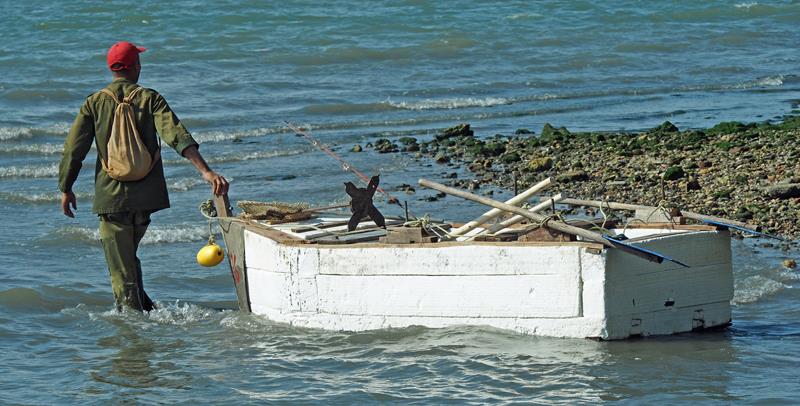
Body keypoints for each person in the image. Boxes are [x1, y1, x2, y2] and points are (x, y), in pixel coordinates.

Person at [58, 41, 229, 312]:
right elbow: (177, 135)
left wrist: (66, 187)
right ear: (136, 66)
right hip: (146, 198)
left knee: (120, 269)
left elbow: (73, 150)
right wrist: (205, 171)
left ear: (112, 68)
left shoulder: (94, 103)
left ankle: (132, 331)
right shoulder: (150, 98)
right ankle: (147, 311)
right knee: (127, 259)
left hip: (112, 199)